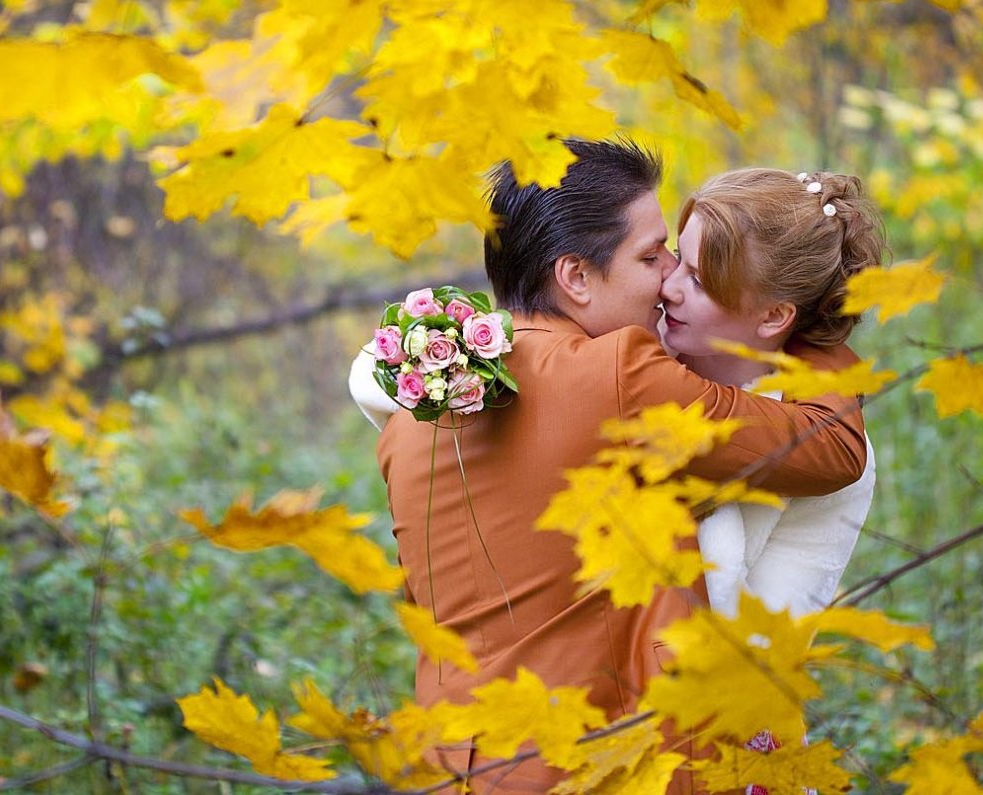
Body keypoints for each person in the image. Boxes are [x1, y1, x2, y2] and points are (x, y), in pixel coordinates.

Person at [357, 139, 870, 793]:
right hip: (594, 768)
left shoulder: (414, 414)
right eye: (651, 256)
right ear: (575, 276)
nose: (666, 280)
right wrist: (812, 327)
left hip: (448, 766)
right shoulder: (615, 377)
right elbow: (831, 448)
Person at [659, 168, 884, 619]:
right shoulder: (634, 340)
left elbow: (769, 635)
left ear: (773, 316)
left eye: (699, 282)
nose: (668, 288)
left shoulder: (832, 457)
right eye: (675, 257)